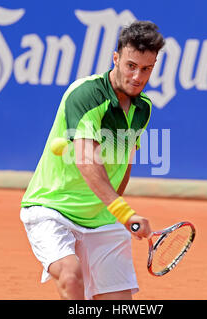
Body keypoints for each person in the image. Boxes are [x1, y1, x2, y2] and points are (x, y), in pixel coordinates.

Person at [20, 21, 165, 300]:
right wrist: (124, 212)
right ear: (116, 58)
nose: (137, 76)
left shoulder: (143, 108)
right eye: (130, 65)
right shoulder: (85, 94)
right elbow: (87, 161)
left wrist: (117, 215)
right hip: (53, 207)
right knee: (70, 276)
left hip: (101, 217)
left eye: (146, 69)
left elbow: (124, 164)